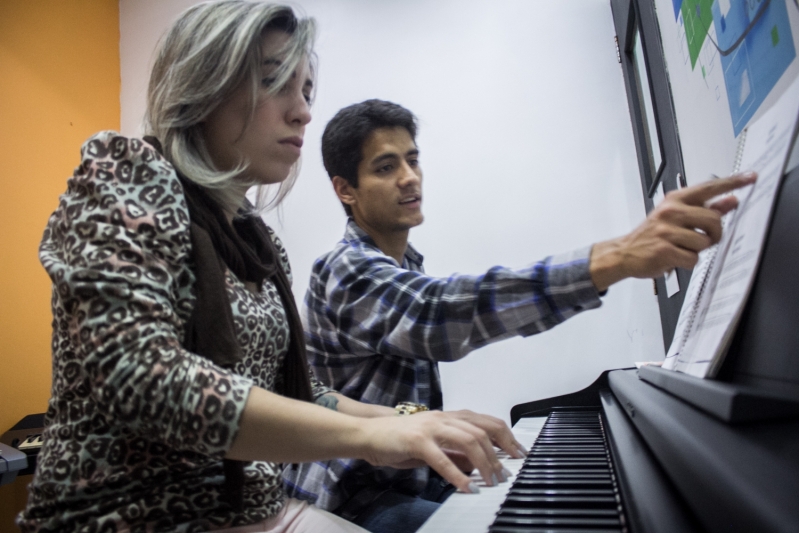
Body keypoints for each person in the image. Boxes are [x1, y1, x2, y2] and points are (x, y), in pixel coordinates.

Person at [17, 5, 524, 533]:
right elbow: (140, 378)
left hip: (250, 509)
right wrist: (371, 439)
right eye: (276, 82)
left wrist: (411, 424)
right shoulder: (125, 173)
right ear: (203, 85)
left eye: (306, 90)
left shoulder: (257, 243)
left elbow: (291, 393)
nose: (304, 111)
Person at [282, 99, 756, 532]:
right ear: (346, 190)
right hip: (351, 498)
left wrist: (439, 426)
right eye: (386, 167)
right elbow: (437, 315)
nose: (409, 177)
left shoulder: (405, 264)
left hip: (406, 478)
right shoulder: (343, 269)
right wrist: (616, 258)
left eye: (413, 159)